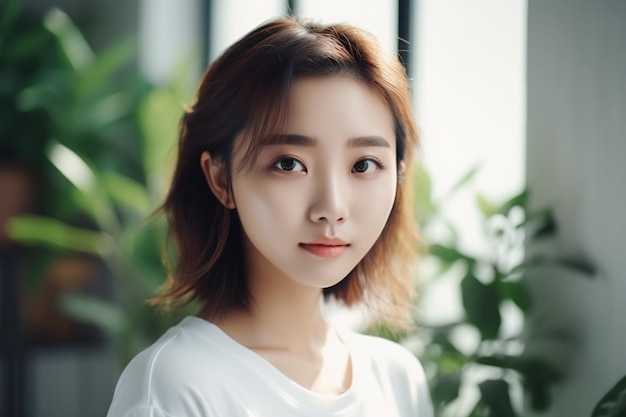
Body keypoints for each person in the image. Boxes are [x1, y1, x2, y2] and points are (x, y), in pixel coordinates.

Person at [106, 16, 434, 417]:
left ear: (398, 174)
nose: (332, 207)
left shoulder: (397, 378)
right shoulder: (175, 387)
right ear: (220, 178)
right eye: (289, 164)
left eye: (364, 165)